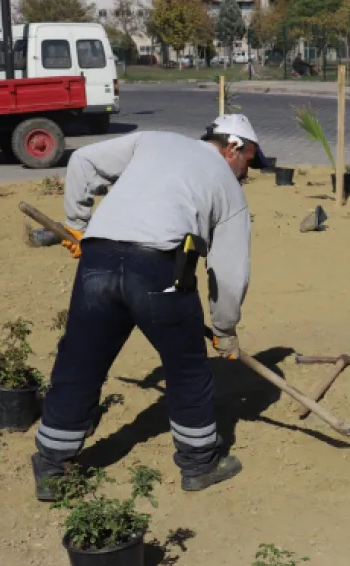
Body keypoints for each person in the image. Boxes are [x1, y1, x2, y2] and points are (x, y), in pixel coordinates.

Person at [30, 114, 270, 501]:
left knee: (80, 361)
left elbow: (82, 162)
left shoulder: (153, 140)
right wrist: (225, 330)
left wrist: (77, 225)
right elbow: (229, 274)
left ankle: (52, 468)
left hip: (99, 257)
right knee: (188, 368)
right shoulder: (228, 188)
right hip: (158, 268)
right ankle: (199, 464)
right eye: (250, 161)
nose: (247, 173)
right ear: (234, 148)